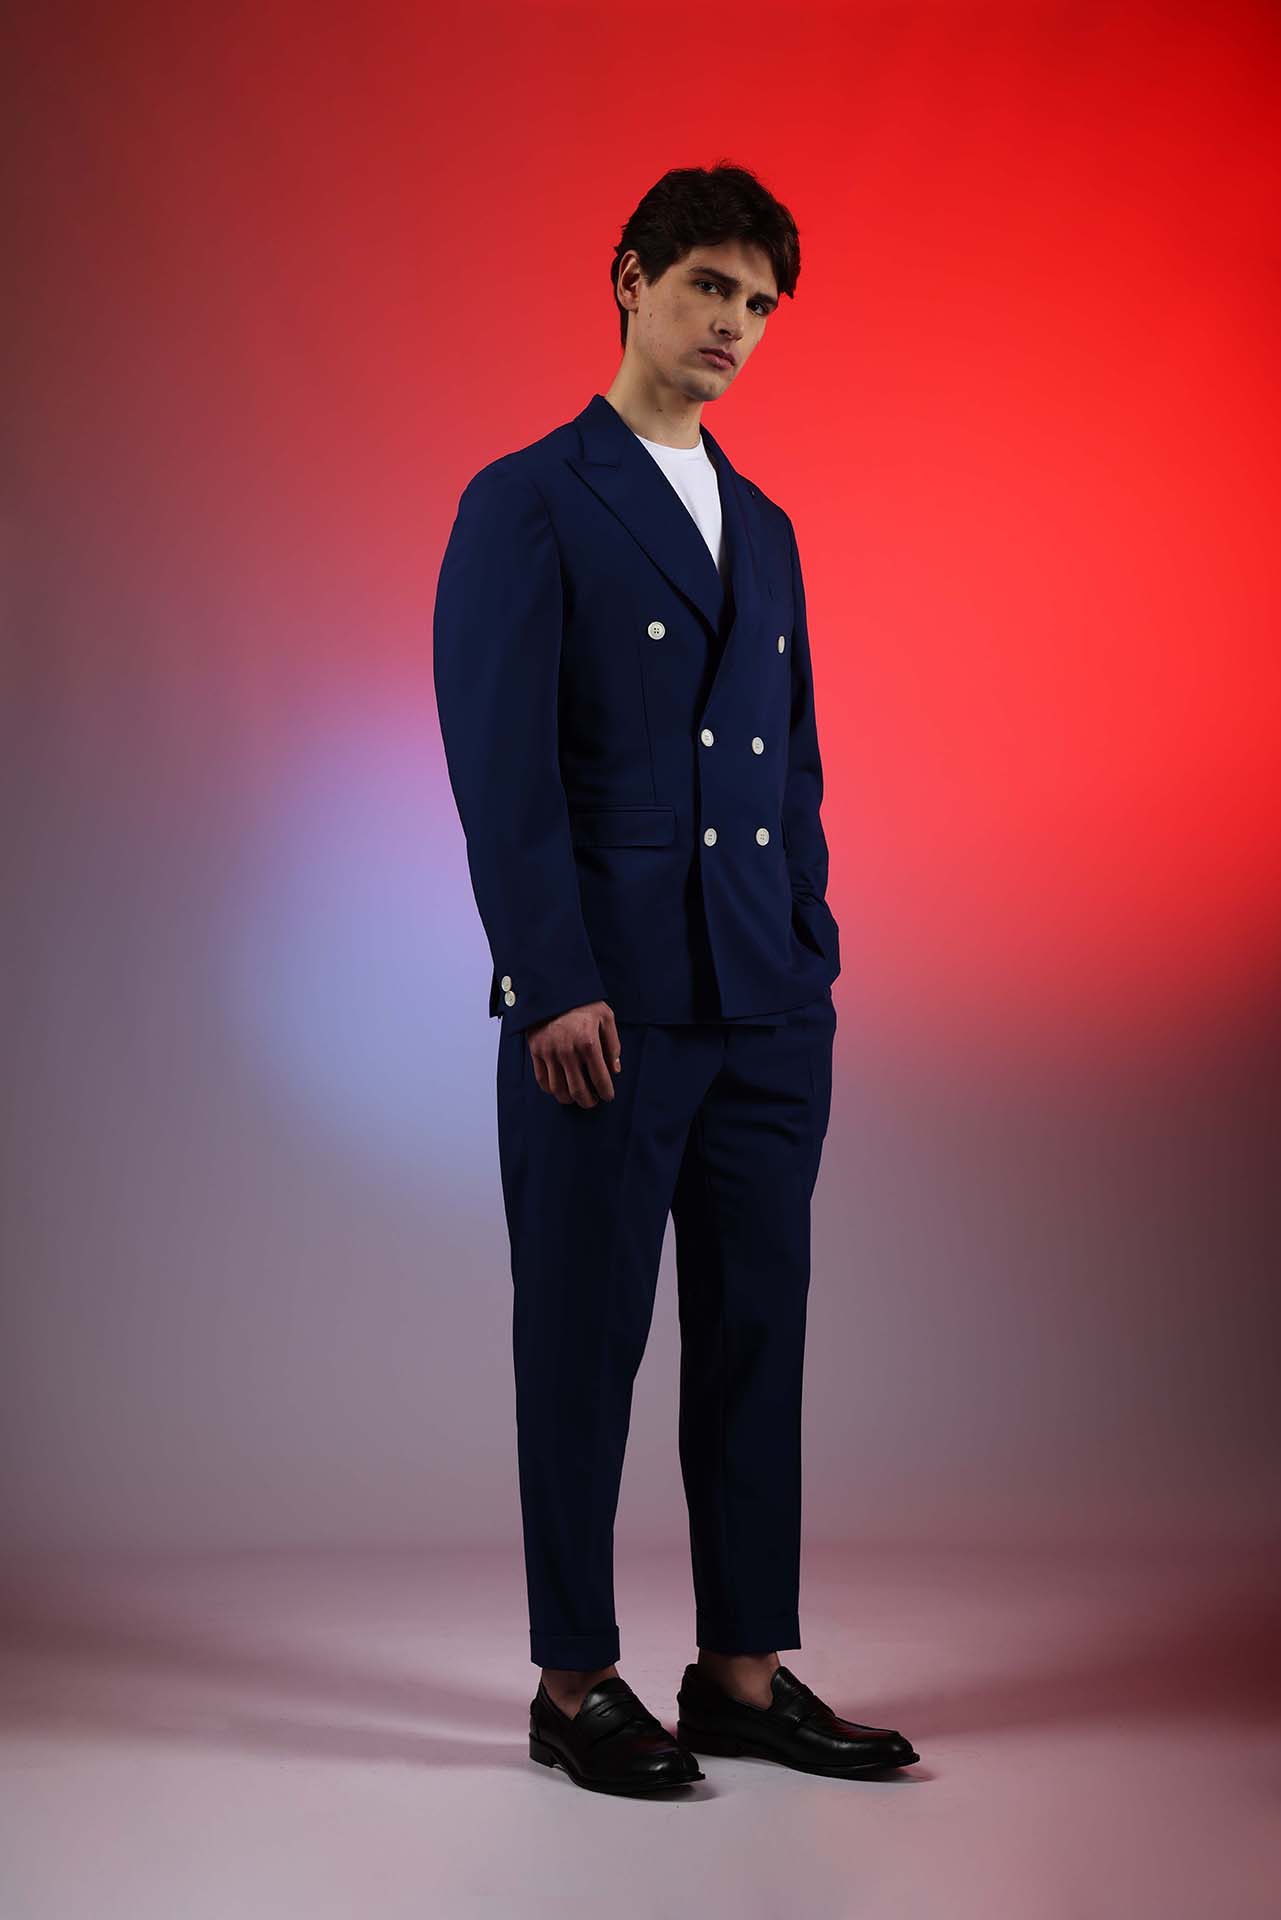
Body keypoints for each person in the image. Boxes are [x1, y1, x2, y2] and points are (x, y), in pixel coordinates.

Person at [433, 162, 920, 1793]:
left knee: (755, 1335)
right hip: (608, 1006)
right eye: (709, 284)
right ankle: (573, 1681)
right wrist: (547, 977)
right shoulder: (530, 497)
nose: (734, 324)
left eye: (760, 304)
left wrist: (810, 946)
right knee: (584, 1344)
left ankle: (740, 1671)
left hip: (764, 1002)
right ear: (630, 276)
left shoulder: (763, 525)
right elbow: (499, 764)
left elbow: (793, 765)